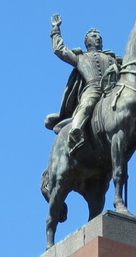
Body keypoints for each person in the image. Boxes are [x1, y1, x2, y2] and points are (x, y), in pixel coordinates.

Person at [44, 14, 120, 154]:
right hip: (93, 89)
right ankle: (76, 131)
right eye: (94, 36)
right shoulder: (80, 57)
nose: (98, 38)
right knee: (86, 105)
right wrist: (55, 29)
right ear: (87, 41)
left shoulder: (112, 58)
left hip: (113, 90)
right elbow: (60, 50)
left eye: (99, 36)